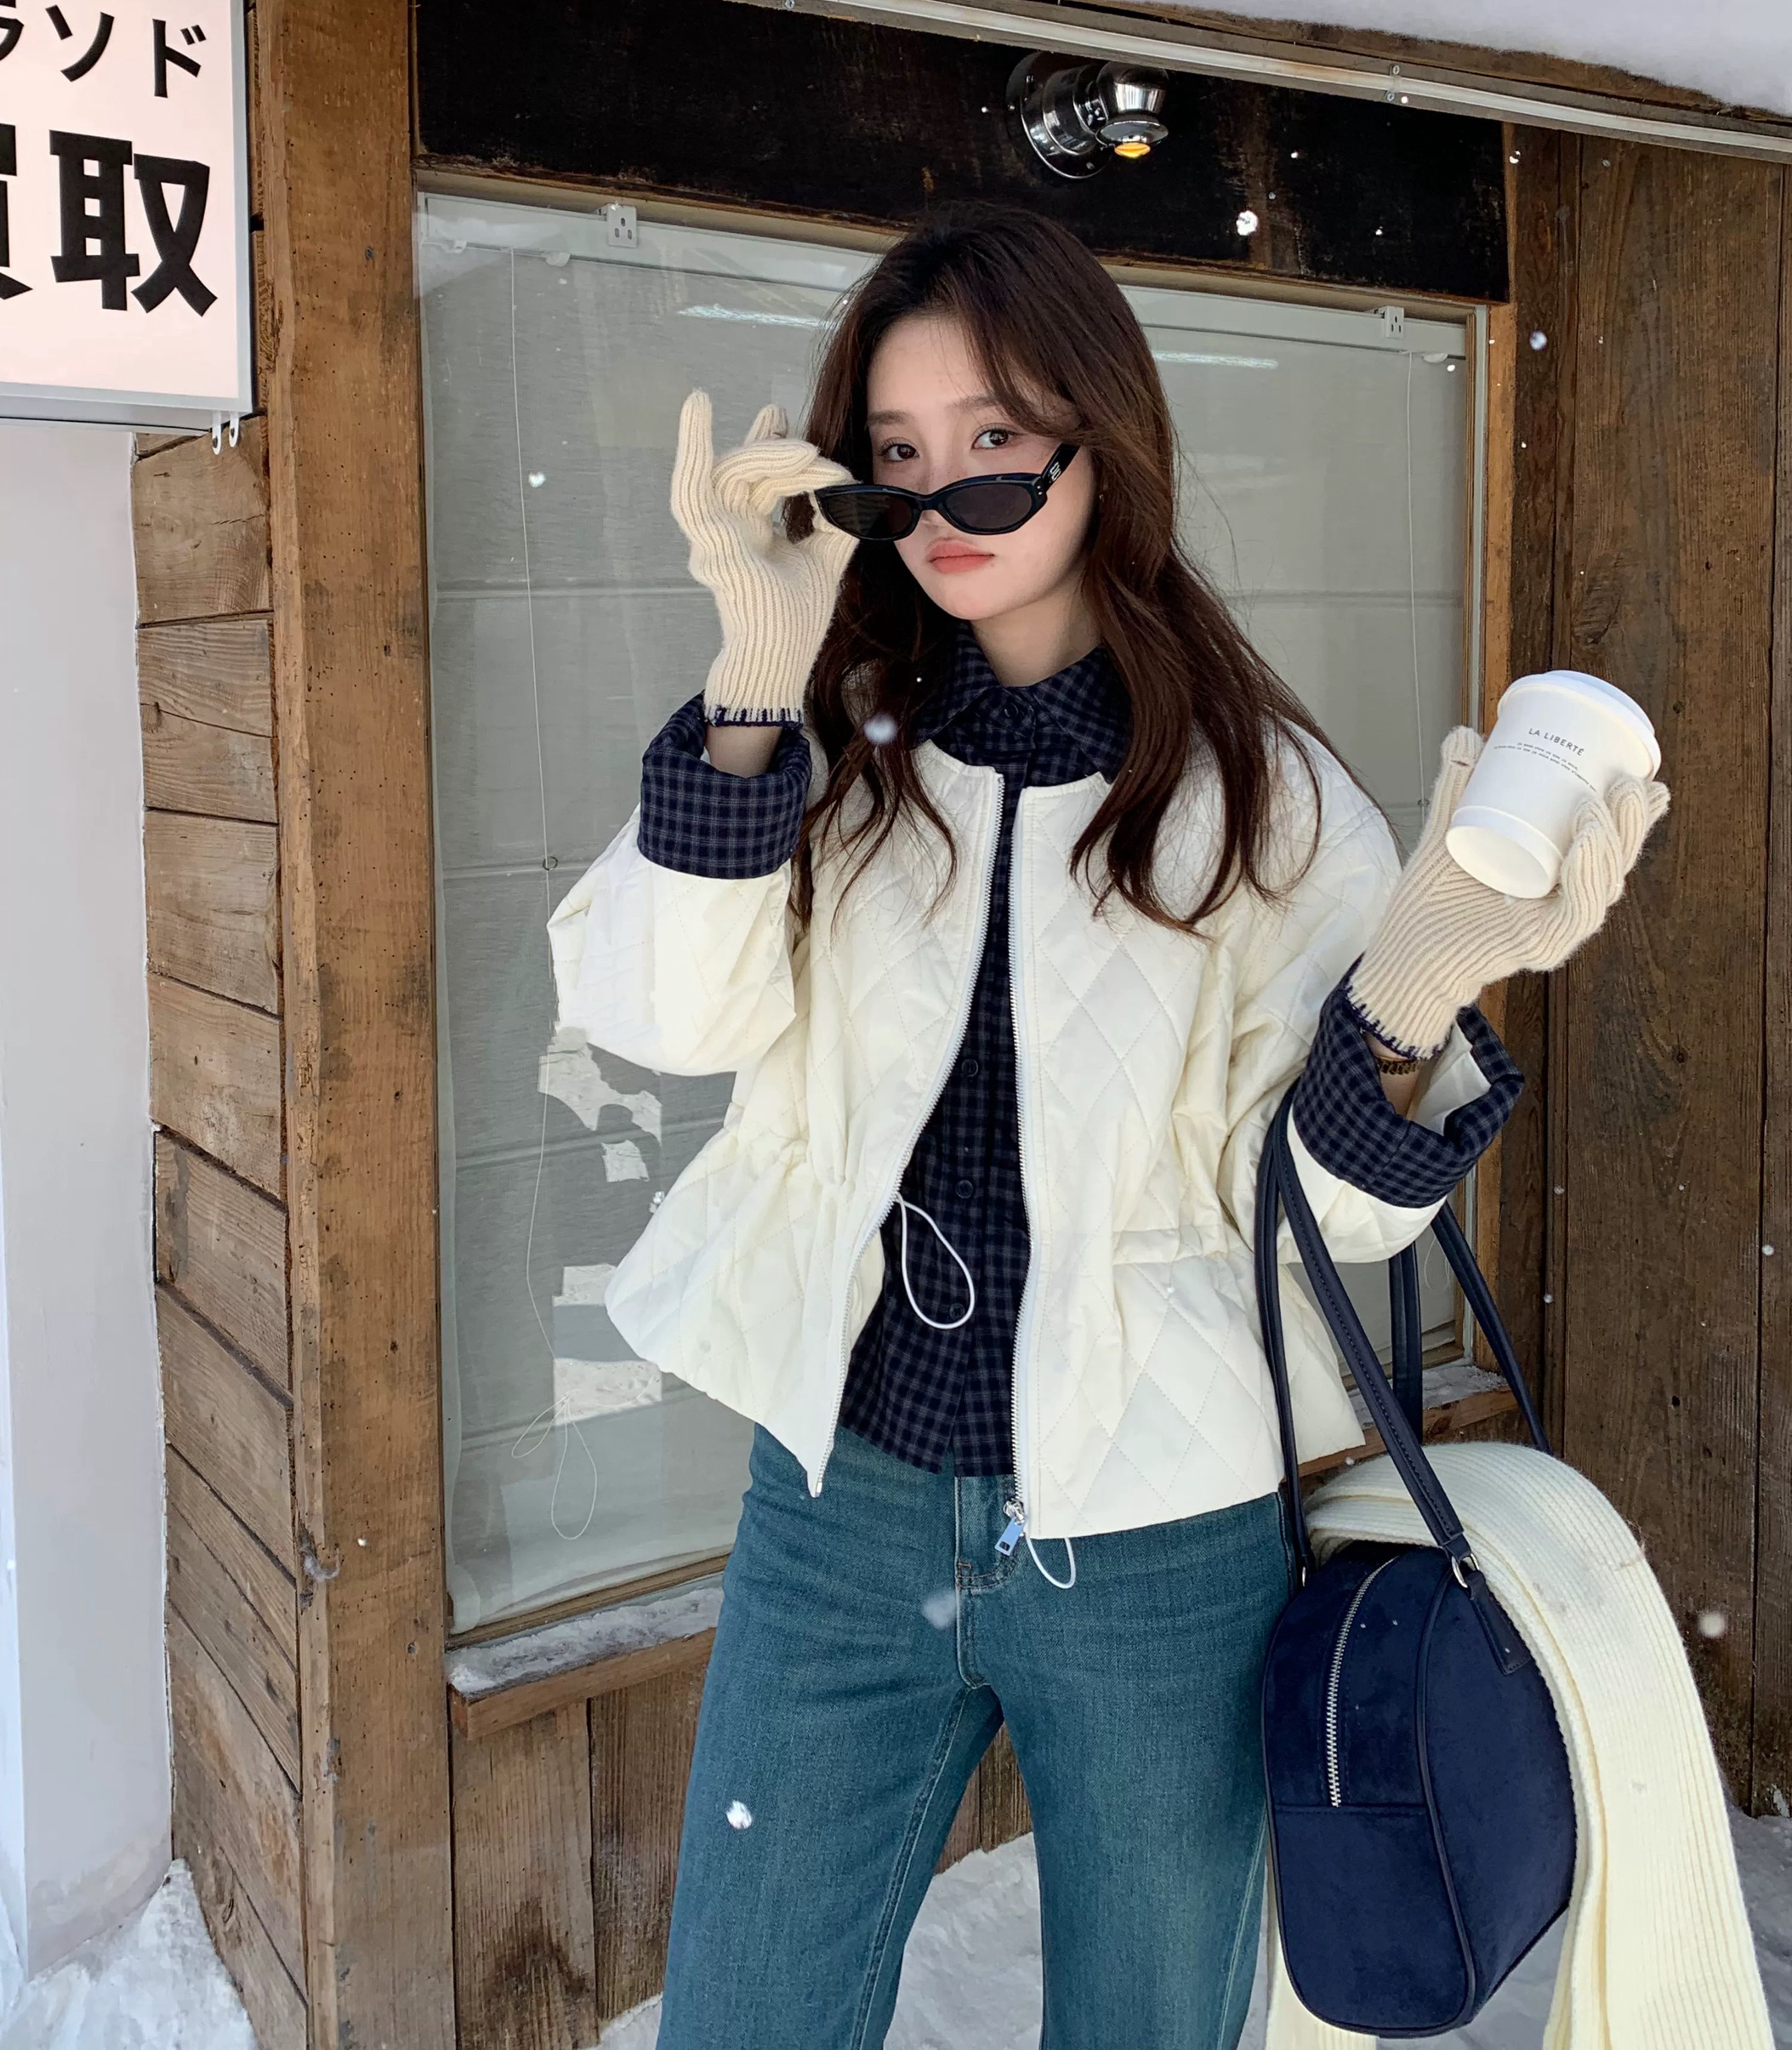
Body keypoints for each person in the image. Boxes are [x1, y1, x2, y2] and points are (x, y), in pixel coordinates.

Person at [547, 205, 1666, 2050]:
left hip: (1157, 1534)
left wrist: (1423, 979)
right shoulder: (837, 757)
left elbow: (1320, 1216)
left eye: (994, 444)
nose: (945, 503)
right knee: (742, 2015)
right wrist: (754, 676)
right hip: (841, 1510)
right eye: (898, 460)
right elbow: (664, 1020)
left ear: (1101, 441)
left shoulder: (1262, 802)